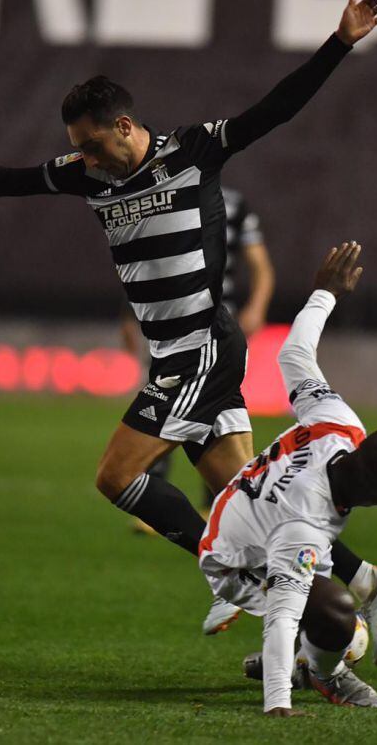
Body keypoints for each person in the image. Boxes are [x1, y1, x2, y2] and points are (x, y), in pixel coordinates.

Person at [0, 0, 377, 634]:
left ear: (126, 126)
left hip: (200, 347)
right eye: (78, 148)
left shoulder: (194, 152)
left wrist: (339, 44)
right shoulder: (89, 176)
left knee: (116, 476)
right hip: (173, 352)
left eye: (92, 144)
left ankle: (235, 573)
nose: (86, 158)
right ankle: (367, 582)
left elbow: (275, 110)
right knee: (246, 498)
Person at [199, 242, 377, 715]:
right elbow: (281, 616)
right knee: (342, 622)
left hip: (251, 512)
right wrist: (277, 705)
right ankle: (321, 672)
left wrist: (325, 293)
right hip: (233, 558)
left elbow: (294, 355)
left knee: (324, 608)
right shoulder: (307, 521)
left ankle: (345, 611)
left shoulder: (338, 422)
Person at [121, 186, 275, 513]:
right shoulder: (163, 196)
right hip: (169, 320)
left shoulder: (234, 203)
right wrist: (129, 316)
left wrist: (257, 307)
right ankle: (161, 495)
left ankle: (213, 503)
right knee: (164, 398)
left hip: (220, 322)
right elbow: (147, 262)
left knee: (205, 404)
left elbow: (260, 263)